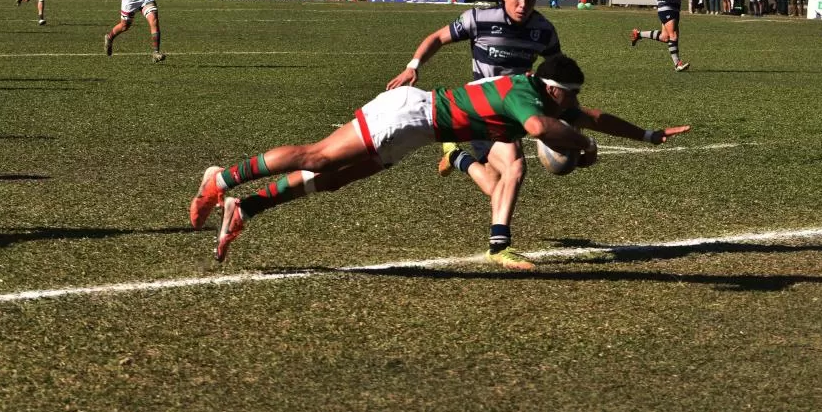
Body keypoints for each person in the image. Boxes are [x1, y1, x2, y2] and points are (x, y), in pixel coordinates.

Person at [190, 54, 691, 265]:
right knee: (319, 158)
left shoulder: (545, 99)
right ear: (555, 90)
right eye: (569, 98)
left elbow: (594, 117)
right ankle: (222, 178)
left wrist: (647, 134)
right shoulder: (526, 97)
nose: (572, 106)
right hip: (407, 116)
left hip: (417, 132)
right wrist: (580, 148)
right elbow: (544, 130)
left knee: (333, 180)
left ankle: (247, 208)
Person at [384, 0, 560, 270]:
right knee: (516, 166)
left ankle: (455, 157)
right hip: (479, 109)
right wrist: (413, 66)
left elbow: (557, 70)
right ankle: (499, 246)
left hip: (511, 116)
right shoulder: (479, 18)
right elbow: (438, 37)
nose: (523, 4)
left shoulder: (544, 30)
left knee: (497, 188)